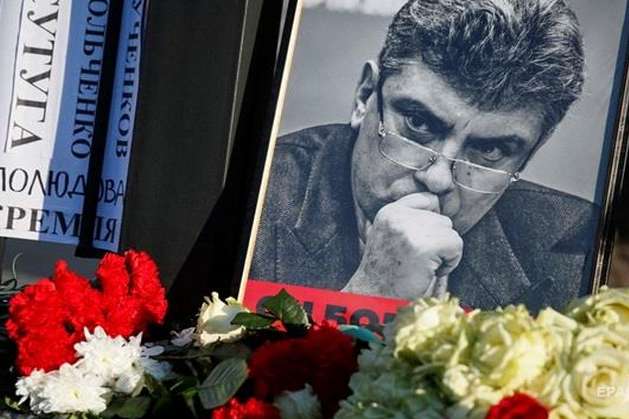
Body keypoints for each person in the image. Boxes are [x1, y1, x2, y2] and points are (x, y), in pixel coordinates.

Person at [251, 0, 598, 311]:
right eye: (418, 123)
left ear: (531, 152)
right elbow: (219, 359)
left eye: (489, 150)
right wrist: (369, 297)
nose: (438, 178)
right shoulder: (251, 199)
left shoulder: (581, 254)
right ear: (365, 96)